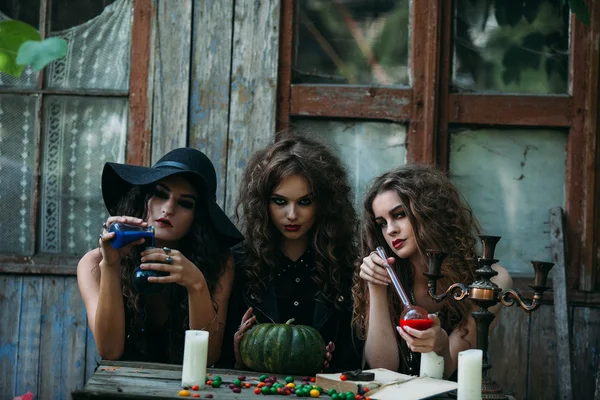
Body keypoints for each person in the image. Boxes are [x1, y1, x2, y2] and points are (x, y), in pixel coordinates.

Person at [77, 148, 244, 365]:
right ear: (143, 198)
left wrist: (196, 284)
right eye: (161, 194)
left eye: (185, 203)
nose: (168, 209)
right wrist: (111, 264)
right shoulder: (93, 263)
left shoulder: (219, 264)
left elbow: (207, 357)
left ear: (198, 217)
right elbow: (109, 351)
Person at [218, 134, 363, 372]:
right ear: (263, 203)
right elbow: (219, 358)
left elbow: (353, 361)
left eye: (305, 202)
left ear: (324, 204)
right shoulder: (238, 263)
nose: (292, 214)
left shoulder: (345, 267)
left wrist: (331, 365)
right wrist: (238, 357)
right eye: (280, 201)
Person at [352, 164, 512, 379]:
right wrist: (376, 285)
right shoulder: (383, 269)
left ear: (430, 212)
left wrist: (440, 344)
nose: (390, 230)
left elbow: (447, 371)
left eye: (400, 215)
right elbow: (383, 368)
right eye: (382, 223)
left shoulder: (491, 279)